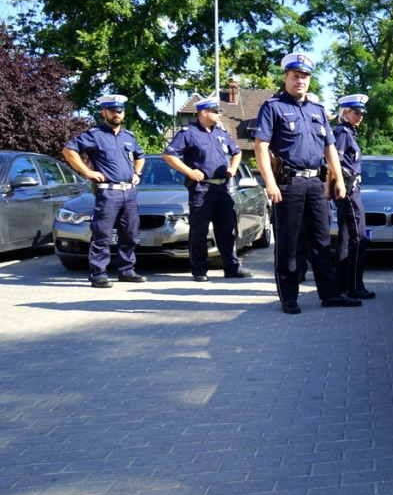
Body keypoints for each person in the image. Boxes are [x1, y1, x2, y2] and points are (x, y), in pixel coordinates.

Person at [252, 53, 360, 314]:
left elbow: (330, 149)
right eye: (295, 76)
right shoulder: (273, 106)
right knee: (287, 243)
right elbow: (260, 146)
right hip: (288, 183)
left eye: (305, 77)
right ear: (286, 77)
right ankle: (289, 297)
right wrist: (270, 183)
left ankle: (330, 293)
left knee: (322, 242)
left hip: (316, 183)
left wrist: (338, 180)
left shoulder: (317, 110)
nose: (300, 81)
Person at [162, 95, 254, 281]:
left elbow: (237, 152)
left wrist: (233, 168)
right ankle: (199, 270)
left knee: (227, 231)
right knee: (199, 231)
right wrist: (189, 171)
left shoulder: (221, 133)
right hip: (201, 189)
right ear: (203, 112)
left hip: (222, 188)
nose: (219, 114)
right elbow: (168, 155)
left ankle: (231, 267)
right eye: (215, 111)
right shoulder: (188, 133)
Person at [62, 95, 148, 287]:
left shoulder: (129, 136)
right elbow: (68, 151)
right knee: (102, 234)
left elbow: (140, 156)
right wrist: (87, 172)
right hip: (109, 192)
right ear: (104, 112)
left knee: (130, 233)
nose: (116, 114)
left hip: (130, 192)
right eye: (112, 111)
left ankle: (127, 270)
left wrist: (137, 173)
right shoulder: (94, 135)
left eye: (119, 111)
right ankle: (98, 274)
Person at [332, 94, 376, 300]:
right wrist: (339, 185)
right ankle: (354, 286)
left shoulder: (348, 132)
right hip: (347, 188)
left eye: (361, 113)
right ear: (345, 113)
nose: (360, 117)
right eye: (356, 113)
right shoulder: (342, 133)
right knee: (358, 236)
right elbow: (335, 163)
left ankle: (342, 284)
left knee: (346, 236)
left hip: (346, 188)